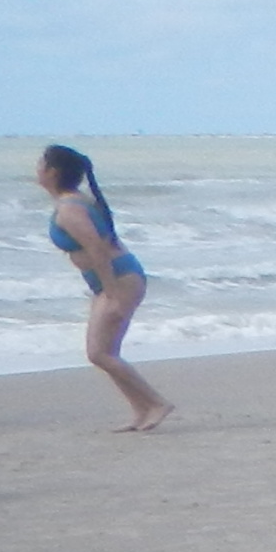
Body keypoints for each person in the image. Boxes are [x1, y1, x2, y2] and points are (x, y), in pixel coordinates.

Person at [37, 146, 169, 430]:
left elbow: (98, 249)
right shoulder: (73, 202)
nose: (37, 169)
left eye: (41, 164)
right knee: (106, 352)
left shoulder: (69, 209)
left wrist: (111, 295)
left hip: (119, 280)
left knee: (99, 353)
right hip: (114, 280)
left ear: (53, 172)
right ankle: (141, 410)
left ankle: (156, 403)